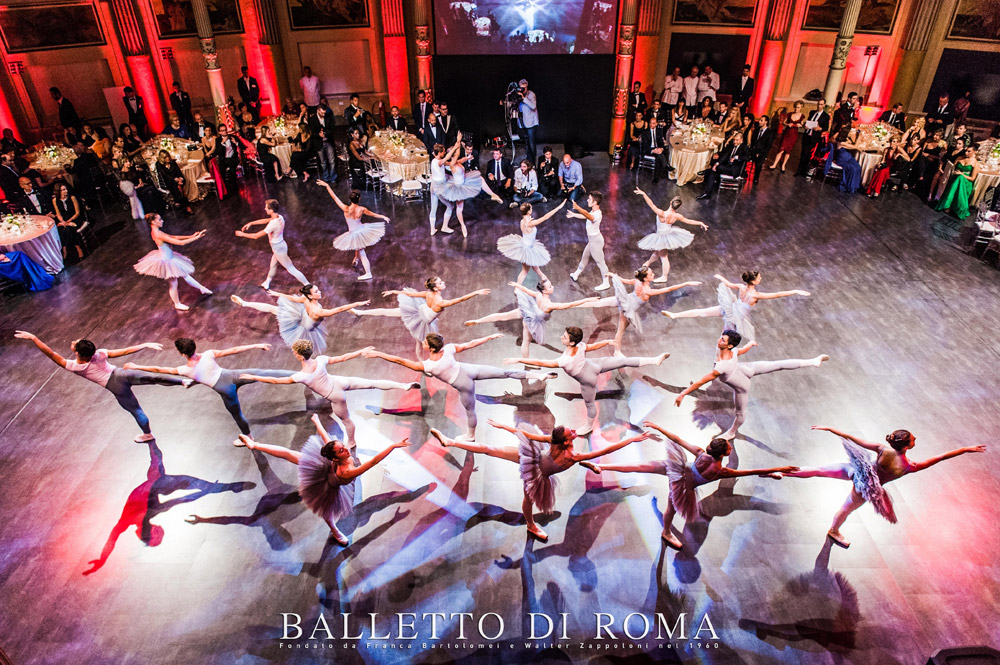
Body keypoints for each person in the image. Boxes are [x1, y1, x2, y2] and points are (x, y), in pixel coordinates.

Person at [431, 421, 652, 541]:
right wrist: (633, 440)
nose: (573, 434)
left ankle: (451, 442)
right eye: (570, 435)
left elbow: (526, 435)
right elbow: (609, 448)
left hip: (533, 457)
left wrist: (504, 427)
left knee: (490, 450)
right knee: (528, 499)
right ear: (564, 441)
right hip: (536, 472)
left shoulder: (555, 443)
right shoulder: (571, 455)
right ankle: (530, 525)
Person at [591, 421, 796, 549]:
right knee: (671, 508)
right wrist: (777, 470)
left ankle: (602, 467)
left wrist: (659, 426)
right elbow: (752, 472)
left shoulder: (701, 453)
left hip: (678, 469)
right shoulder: (721, 471)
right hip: (683, 486)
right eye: (728, 446)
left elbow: (677, 439)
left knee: (642, 466)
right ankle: (667, 532)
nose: (730, 446)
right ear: (724, 453)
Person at [781, 426, 985, 548]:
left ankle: (781, 471)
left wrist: (830, 429)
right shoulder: (908, 467)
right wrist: (964, 449)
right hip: (866, 488)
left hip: (858, 471)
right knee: (846, 509)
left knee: (819, 469)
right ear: (906, 446)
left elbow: (855, 439)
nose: (915, 440)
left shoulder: (883, 450)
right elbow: (939, 458)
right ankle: (834, 530)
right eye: (913, 439)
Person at [235, 414, 410, 545]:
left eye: (343, 448)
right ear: (334, 458)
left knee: (292, 456)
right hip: (326, 481)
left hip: (327, 473)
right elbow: (373, 461)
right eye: (342, 450)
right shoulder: (345, 470)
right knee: (326, 508)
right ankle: (254, 444)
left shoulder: (341, 463)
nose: (346, 450)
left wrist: (317, 423)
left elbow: (329, 440)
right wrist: (393, 446)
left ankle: (254, 444)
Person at [364, 333, 554, 441]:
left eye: (425, 342)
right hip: (469, 369)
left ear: (430, 348)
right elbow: (470, 343)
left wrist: (379, 354)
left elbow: (398, 360)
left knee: (470, 410)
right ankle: (539, 375)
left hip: (463, 382)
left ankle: (470, 436)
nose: (422, 343)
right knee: (503, 372)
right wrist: (488, 337)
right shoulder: (448, 348)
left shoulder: (428, 366)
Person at [14, 332, 188, 442]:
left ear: (77, 353)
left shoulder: (74, 366)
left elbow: (50, 353)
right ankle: (183, 381)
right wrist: (144, 345)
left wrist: (34, 338)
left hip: (115, 386)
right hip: (122, 373)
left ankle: (148, 434)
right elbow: (124, 351)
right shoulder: (99, 353)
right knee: (154, 377)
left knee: (137, 411)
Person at [239, 340, 417, 448]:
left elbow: (276, 381)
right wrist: (360, 351)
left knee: (347, 420)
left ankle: (352, 442)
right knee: (372, 383)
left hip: (335, 394)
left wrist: (254, 376)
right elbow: (344, 357)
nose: (293, 353)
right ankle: (403, 385)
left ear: (301, 356)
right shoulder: (321, 360)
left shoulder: (302, 376)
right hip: (340, 381)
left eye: (294, 352)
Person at [510, 326, 670, 433]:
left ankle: (588, 426)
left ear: (572, 342)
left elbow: (541, 362)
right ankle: (654, 360)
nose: (561, 337)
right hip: (593, 365)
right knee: (623, 361)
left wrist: (520, 360)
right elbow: (591, 347)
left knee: (590, 403)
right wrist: (606, 342)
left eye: (564, 337)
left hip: (588, 378)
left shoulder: (565, 359)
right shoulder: (579, 346)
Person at [675, 329, 829, 440]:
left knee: (741, 412)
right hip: (743, 369)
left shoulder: (721, 367)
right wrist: (750, 344)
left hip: (741, 384)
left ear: (729, 346)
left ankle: (732, 431)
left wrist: (682, 394)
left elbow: (702, 381)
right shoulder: (728, 350)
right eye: (721, 337)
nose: (719, 339)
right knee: (777, 364)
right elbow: (740, 351)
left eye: (723, 339)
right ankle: (813, 362)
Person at [125, 338, 294, 438]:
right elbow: (233, 350)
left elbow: (158, 370)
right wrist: (256, 345)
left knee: (237, 415)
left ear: (183, 354)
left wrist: (135, 365)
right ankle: (298, 375)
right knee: (265, 373)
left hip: (225, 390)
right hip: (234, 375)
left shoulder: (185, 370)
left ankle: (249, 438)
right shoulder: (208, 354)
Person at [351, 277, 490, 359]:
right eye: (440, 283)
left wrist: (394, 291)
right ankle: (420, 362)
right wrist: (476, 292)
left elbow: (410, 295)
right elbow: (460, 299)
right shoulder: (440, 302)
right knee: (419, 342)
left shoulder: (427, 293)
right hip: (421, 319)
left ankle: (360, 313)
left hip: (419, 311)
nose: (443, 283)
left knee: (388, 312)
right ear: (435, 288)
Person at [465, 280, 598, 357]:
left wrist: (518, 285)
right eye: (550, 286)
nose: (553, 287)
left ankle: (478, 320)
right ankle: (526, 362)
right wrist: (587, 299)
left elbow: (528, 291)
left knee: (502, 316)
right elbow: (570, 304)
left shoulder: (538, 295)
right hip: (531, 320)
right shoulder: (549, 305)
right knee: (526, 341)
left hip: (527, 309)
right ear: (545, 291)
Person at [664, 271, 809, 341]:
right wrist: (795, 291)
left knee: (702, 312)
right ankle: (719, 360)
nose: (761, 278)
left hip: (731, 307)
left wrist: (721, 277)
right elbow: (778, 294)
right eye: (759, 278)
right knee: (725, 337)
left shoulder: (741, 287)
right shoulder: (755, 295)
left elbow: (729, 284)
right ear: (754, 281)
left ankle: (675, 315)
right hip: (735, 316)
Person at [231, 284, 366, 354]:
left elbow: (293, 298)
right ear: (311, 296)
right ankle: (244, 303)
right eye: (316, 292)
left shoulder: (305, 299)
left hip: (302, 316)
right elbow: (339, 310)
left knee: (274, 309)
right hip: (304, 324)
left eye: (318, 290)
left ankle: (245, 303)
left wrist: (279, 294)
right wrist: (357, 304)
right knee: (275, 310)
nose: (320, 292)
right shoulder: (317, 311)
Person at [599, 267, 700, 349]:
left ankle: (586, 302)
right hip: (628, 308)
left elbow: (624, 280)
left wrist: (613, 275)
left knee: (600, 303)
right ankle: (617, 352)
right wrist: (686, 283)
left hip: (625, 299)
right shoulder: (648, 291)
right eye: (651, 274)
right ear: (646, 278)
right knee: (620, 331)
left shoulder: (637, 281)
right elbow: (669, 288)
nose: (654, 275)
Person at [133, 213, 211, 310]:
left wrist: (190, 236)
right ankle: (177, 303)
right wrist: (196, 238)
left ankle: (201, 288)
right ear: (153, 222)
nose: (162, 221)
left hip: (170, 258)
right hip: (167, 261)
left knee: (185, 274)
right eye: (159, 219)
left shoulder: (157, 231)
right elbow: (180, 243)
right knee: (173, 283)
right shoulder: (157, 234)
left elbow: (173, 237)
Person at [435, 132, 502, 236]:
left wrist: (460, 145)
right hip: (458, 187)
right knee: (459, 208)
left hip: (464, 180)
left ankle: (492, 194)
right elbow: (454, 154)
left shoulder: (457, 162)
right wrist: (457, 142)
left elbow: (459, 156)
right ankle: (462, 225)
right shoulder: (452, 164)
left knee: (480, 178)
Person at [318, 182, 389, 280]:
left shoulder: (345, 209)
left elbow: (334, 197)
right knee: (358, 245)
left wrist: (327, 186)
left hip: (354, 232)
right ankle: (356, 259)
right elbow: (373, 214)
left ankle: (368, 273)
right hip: (360, 230)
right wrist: (383, 216)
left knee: (362, 252)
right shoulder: (361, 209)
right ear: (359, 199)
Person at [235, 199, 311, 289]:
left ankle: (307, 285)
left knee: (290, 268)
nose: (265, 209)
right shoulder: (279, 217)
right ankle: (267, 282)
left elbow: (256, 236)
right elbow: (267, 220)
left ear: (271, 210)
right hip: (279, 246)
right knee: (273, 265)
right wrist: (251, 223)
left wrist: (242, 234)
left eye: (266, 208)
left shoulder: (273, 224)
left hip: (278, 248)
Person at [634, 189, 707, 281]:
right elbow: (689, 221)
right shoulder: (677, 216)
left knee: (664, 257)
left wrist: (644, 194)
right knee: (657, 252)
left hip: (661, 237)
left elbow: (651, 204)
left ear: (670, 203)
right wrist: (700, 222)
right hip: (668, 235)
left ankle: (664, 277)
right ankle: (647, 263)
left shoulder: (661, 213)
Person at [498, 200, 566, 284]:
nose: (532, 210)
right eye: (531, 208)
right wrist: (559, 207)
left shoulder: (522, 221)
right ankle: (518, 288)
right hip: (528, 250)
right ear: (529, 211)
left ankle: (545, 279)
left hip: (523, 246)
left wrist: (529, 219)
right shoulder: (531, 223)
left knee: (534, 268)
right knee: (525, 270)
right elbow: (546, 217)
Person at [567, 192, 611, 290]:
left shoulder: (597, 214)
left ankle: (606, 282)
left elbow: (588, 215)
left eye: (589, 199)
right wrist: (574, 214)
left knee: (600, 262)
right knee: (584, 258)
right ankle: (576, 274)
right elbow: (586, 216)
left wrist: (578, 208)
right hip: (592, 241)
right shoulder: (593, 211)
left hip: (596, 242)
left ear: (595, 202)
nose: (587, 200)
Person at [698, 132, 748, 200]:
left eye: (737, 140)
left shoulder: (744, 147)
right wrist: (717, 163)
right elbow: (725, 156)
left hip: (734, 170)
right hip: (727, 167)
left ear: (741, 140)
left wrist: (737, 157)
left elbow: (748, 157)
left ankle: (706, 171)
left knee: (716, 168)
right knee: (713, 171)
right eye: (734, 140)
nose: (735, 142)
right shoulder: (732, 146)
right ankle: (707, 194)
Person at [935, 147, 979, 220]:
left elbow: (972, 178)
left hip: (966, 182)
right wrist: (956, 173)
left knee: (960, 178)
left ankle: (949, 206)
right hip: (955, 177)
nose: (966, 153)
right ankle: (949, 205)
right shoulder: (959, 158)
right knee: (957, 178)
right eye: (966, 151)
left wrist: (962, 174)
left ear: (974, 152)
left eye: (969, 151)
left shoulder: (975, 163)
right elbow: (953, 169)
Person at [52, 181, 87, 260]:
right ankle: (64, 248)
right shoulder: (55, 200)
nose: (66, 191)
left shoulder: (72, 198)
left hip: (74, 218)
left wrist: (69, 221)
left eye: (66, 189)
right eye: (63, 190)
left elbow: (77, 213)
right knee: (59, 230)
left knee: (68, 230)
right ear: (58, 192)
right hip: (64, 220)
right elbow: (58, 213)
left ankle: (77, 247)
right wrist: (63, 221)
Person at [426, 143, 455, 235]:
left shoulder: (436, 160)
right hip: (438, 188)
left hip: (433, 187)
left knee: (434, 208)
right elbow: (446, 159)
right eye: (443, 152)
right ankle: (444, 227)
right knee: (450, 206)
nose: (445, 153)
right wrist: (455, 147)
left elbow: (449, 163)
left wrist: (462, 160)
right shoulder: (438, 162)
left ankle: (432, 230)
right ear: (439, 153)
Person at [824, 128, 863, 193]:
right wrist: (859, 136)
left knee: (858, 167)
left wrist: (856, 136)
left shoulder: (846, 140)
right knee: (853, 169)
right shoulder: (841, 142)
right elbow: (855, 146)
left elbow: (853, 144)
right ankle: (850, 186)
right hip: (843, 160)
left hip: (848, 158)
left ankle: (855, 186)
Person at [797, 99, 830, 176]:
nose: (819, 106)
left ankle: (804, 171)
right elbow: (808, 121)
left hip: (814, 137)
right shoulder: (812, 112)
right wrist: (806, 125)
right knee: (803, 154)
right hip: (807, 135)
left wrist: (819, 128)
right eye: (818, 104)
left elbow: (826, 128)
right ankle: (799, 171)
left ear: (824, 105)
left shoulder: (825, 116)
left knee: (809, 155)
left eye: (821, 104)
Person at [770, 100, 803, 172]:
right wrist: (788, 124)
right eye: (796, 107)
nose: (796, 109)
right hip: (787, 133)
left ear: (801, 108)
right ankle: (774, 164)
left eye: (798, 108)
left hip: (794, 135)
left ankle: (783, 165)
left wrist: (799, 125)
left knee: (788, 151)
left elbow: (802, 125)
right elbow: (784, 123)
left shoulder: (802, 116)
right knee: (781, 149)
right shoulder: (790, 114)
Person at [310, 105, 338, 183]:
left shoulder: (328, 117)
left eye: (324, 113)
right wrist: (319, 135)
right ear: (318, 111)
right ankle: (326, 178)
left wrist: (325, 134)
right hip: (319, 143)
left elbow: (333, 129)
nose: (324, 114)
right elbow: (312, 132)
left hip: (328, 141)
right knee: (323, 162)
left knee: (332, 161)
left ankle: (333, 178)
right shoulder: (312, 119)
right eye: (322, 113)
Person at [639, 117, 670, 184]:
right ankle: (665, 166)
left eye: (653, 123)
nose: (651, 125)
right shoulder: (645, 132)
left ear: (656, 124)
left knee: (660, 155)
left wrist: (661, 148)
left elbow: (661, 142)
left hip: (657, 148)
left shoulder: (659, 131)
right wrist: (653, 150)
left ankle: (656, 178)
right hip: (648, 150)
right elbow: (645, 145)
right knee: (659, 156)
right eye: (650, 123)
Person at [747, 114, 774, 184]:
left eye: (761, 120)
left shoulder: (769, 133)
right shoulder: (757, 130)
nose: (759, 122)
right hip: (753, 150)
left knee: (759, 163)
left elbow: (768, 146)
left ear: (766, 122)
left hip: (761, 152)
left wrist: (760, 153)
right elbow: (753, 141)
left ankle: (756, 178)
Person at [517, 79, 539, 163]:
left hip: (531, 123)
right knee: (526, 142)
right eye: (521, 88)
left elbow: (533, 106)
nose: (522, 90)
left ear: (526, 87)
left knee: (531, 143)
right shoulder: (518, 94)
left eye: (524, 88)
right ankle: (528, 160)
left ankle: (533, 162)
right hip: (523, 122)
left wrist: (523, 98)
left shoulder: (531, 94)